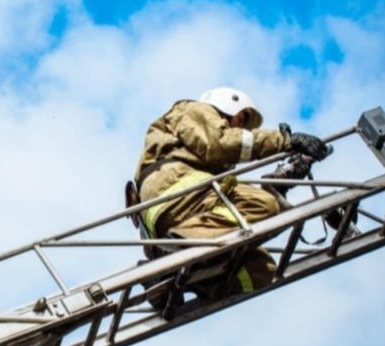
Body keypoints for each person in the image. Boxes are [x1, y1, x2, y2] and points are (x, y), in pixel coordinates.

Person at [133, 87, 328, 302]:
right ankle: (178, 253)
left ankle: (174, 277)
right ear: (226, 104)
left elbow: (234, 202)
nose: (241, 128)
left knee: (261, 269)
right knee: (263, 204)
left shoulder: (211, 165)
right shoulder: (195, 110)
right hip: (174, 188)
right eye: (241, 119)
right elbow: (221, 142)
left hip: (175, 214)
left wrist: (280, 183)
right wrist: (284, 141)